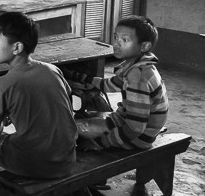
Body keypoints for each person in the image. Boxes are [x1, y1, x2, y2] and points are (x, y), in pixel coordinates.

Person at [0, 12, 77, 185]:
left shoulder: (2, 84)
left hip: (34, 163)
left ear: (16, 47)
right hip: (66, 160)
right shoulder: (53, 70)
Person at [65, 15, 169, 151]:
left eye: (125, 40)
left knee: (68, 128)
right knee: (80, 118)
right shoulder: (138, 65)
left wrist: (102, 143)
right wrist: (79, 77)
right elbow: (108, 85)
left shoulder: (138, 78)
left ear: (144, 46)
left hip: (138, 138)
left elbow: (135, 128)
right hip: (127, 121)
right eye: (115, 37)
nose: (116, 44)